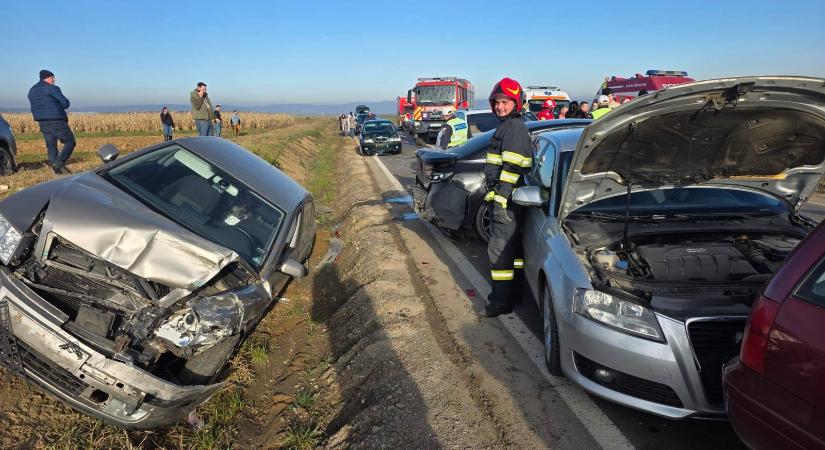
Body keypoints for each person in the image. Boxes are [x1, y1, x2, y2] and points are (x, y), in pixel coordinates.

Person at [481, 77, 532, 317]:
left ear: (516, 104)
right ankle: (514, 296)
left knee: (499, 252)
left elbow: (511, 172)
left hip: (507, 204)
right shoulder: (508, 127)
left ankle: (500, 302)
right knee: (513, 253)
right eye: (497, 102)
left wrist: (499, 203)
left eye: (506, 102)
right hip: (507, 202)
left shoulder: (513, 130)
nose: (500, 106)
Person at [27, 69, 75, 174]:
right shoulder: (52, 88)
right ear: (48, 78)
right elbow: (65, 103)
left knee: (51, 146)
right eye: (53, 77)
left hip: (42, 122)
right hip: (57, 121)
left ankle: (57, 171)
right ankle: (58, 164)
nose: (54, 80)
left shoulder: (32, 90)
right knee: (70, 142)